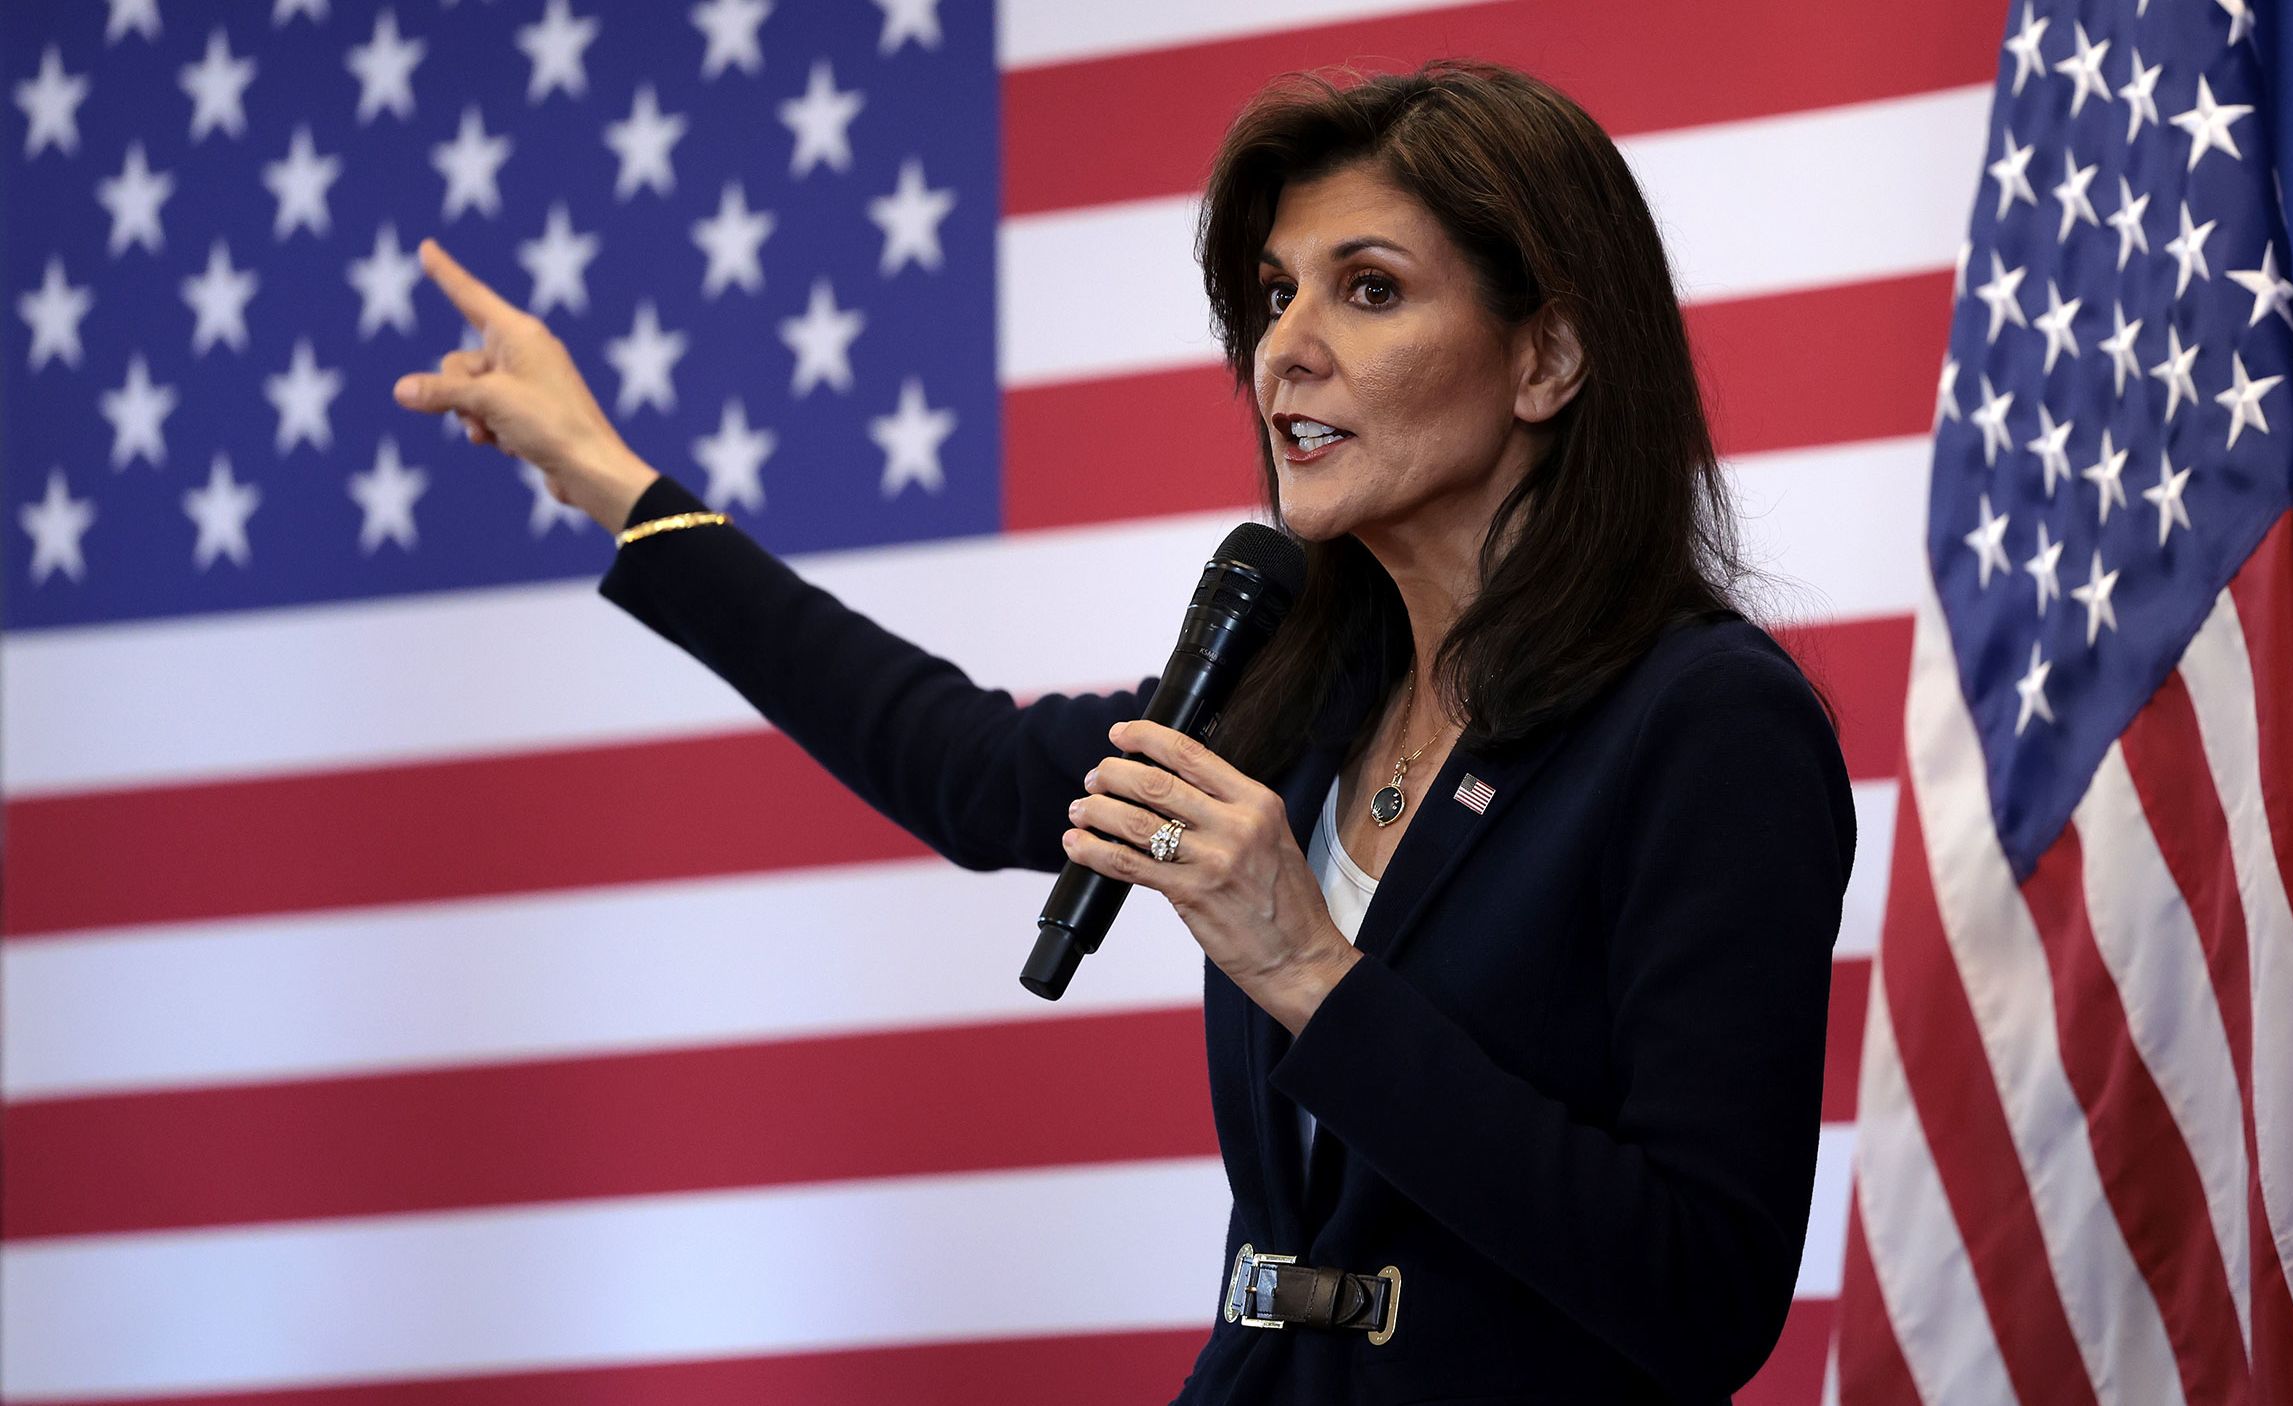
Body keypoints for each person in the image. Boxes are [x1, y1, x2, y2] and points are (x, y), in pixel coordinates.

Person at [394, 59, 1854, 1406]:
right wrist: (609, 476)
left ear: (1547, 358)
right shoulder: (1292, 696)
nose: (1286, 347)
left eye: (1368, 289)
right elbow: (958, 761)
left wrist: (1307, 968)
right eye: (1277, 293)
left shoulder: (1701, 724)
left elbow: (1703, 1293)